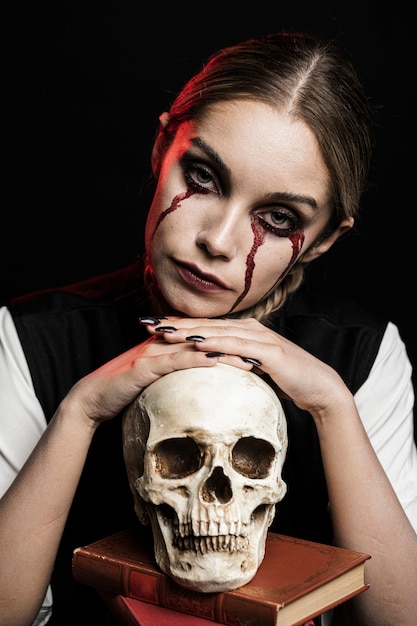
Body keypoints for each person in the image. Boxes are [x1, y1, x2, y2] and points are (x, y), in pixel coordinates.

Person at [0, 31, 416, 626]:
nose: (217, 242)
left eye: (278, 219)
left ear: (323, 240)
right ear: (161, 146)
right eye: (201, 177)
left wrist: (332, 407)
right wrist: (81, 411)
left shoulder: (361, 355)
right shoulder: (33, 338)